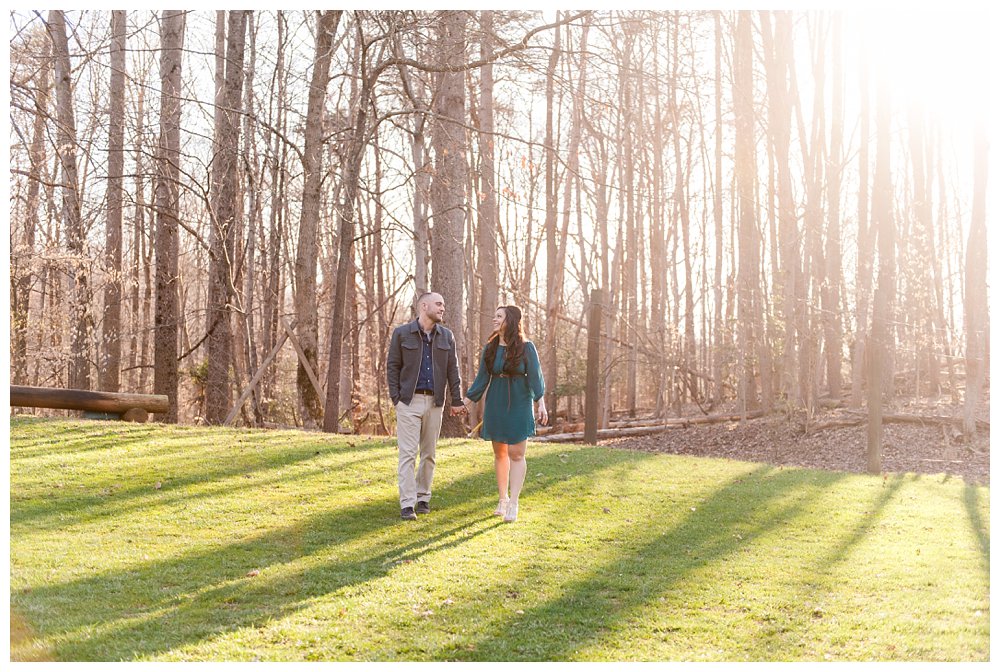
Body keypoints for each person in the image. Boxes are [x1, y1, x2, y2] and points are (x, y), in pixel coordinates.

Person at [463, 305, 547, 523]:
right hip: (496, 402)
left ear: (510, 320)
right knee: (500, 453)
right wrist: (467, 401)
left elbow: (535, 378)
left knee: (517, 454)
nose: (494, 319)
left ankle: (514, 502)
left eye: (499, 316)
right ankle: (502, 498)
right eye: (494, 315)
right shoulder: (490, 348)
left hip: (520, 401)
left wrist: (541, 403)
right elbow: (482, 378)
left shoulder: (527, 347)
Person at [387, 291, 465, 521]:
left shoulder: (446, 336)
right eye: (438, 304)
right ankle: (407, 504)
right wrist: (396, 398)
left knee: (429, 454)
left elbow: (453, 370)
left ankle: (423, 498)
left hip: (435, 403)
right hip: (409, 402)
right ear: (424, 306)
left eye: (443, 305)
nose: (442, 308)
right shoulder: (402, 334)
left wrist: (457, 400)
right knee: (408, 454)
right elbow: (392, 367)